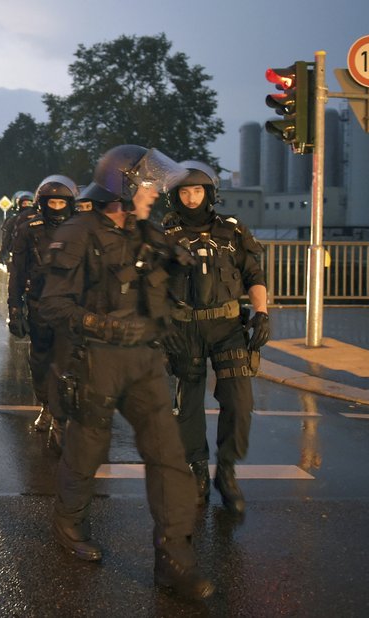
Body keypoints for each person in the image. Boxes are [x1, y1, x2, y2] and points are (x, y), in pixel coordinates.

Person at [40, 145, 214, 600]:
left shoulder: (148, 233)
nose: (157, 193)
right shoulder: (79, 232)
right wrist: (102, 326)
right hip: (98, 359)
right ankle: (69, 521)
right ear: (124, 187)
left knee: (168, 456)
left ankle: (174, 556)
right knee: (87, 447)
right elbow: (53, 304)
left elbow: (166, 289)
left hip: (145, 361)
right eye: (150, 185)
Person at [162, 161, 269, 514]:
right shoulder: (162, 235)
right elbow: (149, 287)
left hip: (227, 328)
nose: (191, 198)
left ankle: (226, 470)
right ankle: (196, 472)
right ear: (175, 196)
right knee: (188, 406)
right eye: (184, 191)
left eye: (197, 190)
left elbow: (253, 274)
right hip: (184, 329)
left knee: (239, 403)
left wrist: (262, 312)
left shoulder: (233, 231)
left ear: (209, 193)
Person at [8, 175, 74, 430]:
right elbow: (17, 271)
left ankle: (62, 412)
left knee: (67, 360)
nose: (56, 208)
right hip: (39, 304)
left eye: (61, 203)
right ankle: (46, 404)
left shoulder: (80, 230)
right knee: (40, 360)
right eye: (52, 203)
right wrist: (15, 308)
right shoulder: (29, 230)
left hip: (70, 307)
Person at [0, 190, 35, 268]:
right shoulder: (13, 220)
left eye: (29, 203)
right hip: (18, 255)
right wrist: (2, 255)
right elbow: (6, 239)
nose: (27, 206)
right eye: (24, 203)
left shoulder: (40, 219)